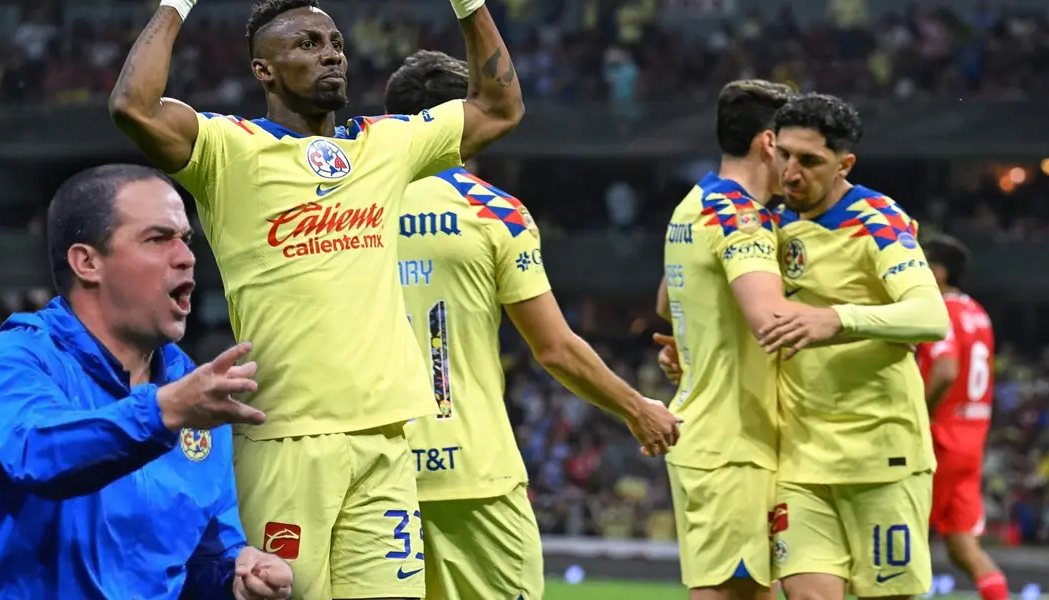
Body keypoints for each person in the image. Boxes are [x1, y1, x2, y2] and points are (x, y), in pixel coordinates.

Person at [109, 0, 525, 596]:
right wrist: (176, 6)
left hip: (385, 440)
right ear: (263, 71)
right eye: (306, 44)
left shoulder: (388, 144)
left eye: (334, 42)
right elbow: (134, 107)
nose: (330, 52)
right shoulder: (230, 150)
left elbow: (499, 106)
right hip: (285, 440)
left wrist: (470, 6)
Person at [383, 49, 681, 600]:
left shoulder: (349, 208)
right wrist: (638, 408)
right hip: (473, 472)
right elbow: (555, 349)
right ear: (463, 118)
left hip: (373, 476)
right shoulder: (493, 211)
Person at [0, 165, 292, 599]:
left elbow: (203, 553)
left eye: (186, 239)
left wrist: (236, 574)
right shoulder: (9, 363)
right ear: (87, 262)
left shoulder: (193, 389)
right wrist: (163, 412)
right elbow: (37, 454)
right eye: (159, 239)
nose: (186, 256)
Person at [758, 94, 949, 600]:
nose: (791, 173)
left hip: (881, 459)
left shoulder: (876, 219)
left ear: (844, 164)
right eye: (785, 156)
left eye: (810, 161)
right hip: (799, 461)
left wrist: (837, 319)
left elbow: (932, 316)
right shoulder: (769, 223)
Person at [655, 79, 797, 600]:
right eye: (792, 149)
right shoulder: (742, 219)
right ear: (767, 143)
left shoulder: (694, 205)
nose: (797, 166)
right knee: (730, 594)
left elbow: (664, 302)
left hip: (711, 432)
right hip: (731, 442)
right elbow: (770, 319)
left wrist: (696, 341)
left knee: (750, 592)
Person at [916, 234, 1009, 600]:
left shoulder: (939, 311)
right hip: (972, 438)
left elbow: (946, 370)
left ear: (938, 273)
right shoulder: (977, 312)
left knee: (905, 537)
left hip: (942, 436)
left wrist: (918, 417)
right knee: (962, 546)